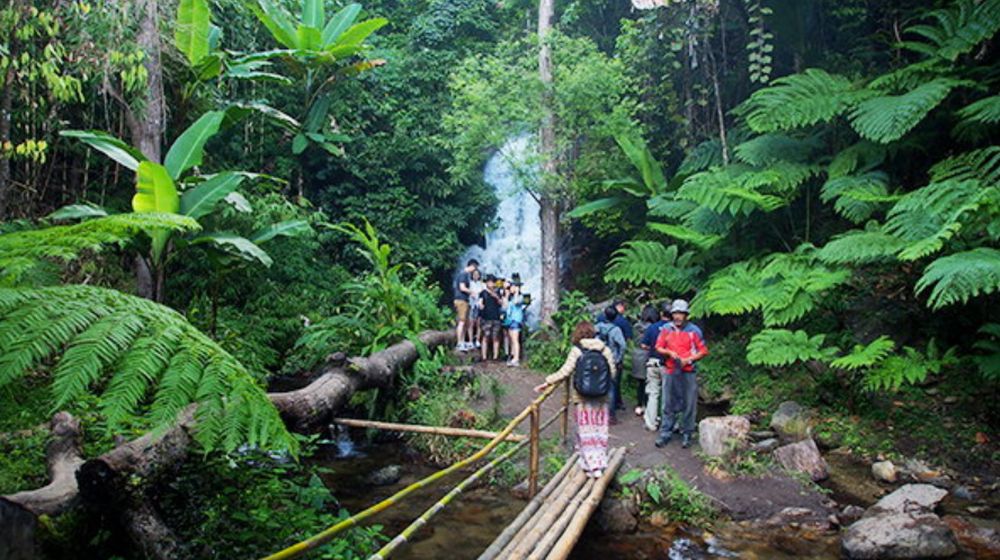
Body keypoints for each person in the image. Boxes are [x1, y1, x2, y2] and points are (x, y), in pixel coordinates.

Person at [533, 321, 617, 478]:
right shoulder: (605, 350)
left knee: (585, 430)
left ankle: (589, 464)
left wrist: (547, 381)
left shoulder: (577, 351)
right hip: (602, 397)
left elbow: (565, 371)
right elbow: (612, 373)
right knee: (599, 430)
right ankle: (599, 464)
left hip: (582, 397)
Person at [654, 299, 708, 449]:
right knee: (667, 402)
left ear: (686, 315)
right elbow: (658, 347)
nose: (677, 317)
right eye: (675, 313)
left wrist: (689, 359)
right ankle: (665, 432)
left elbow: (703, 350)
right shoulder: (666, 329)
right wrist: (669, 352)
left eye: (681, 314)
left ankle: (687, 432)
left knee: (689, 403)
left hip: (688, 371)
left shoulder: (694, 331)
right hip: (670, 370)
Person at [640, 303, 671, 431]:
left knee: (653, 393)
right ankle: (667, 423)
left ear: (662, 314)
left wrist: (652, 348)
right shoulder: (673, 328)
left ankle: (651, 423)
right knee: (667, 394)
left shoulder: (652, 327)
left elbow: (643, 345)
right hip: (668, 364)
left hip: (652, 362)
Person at [596, 306, 626, 419]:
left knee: (599, 384)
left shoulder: (597, 327)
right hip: (612, 360)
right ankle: (611, 415)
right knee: (612, 387)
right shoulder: (616, 330)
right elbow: (622, 345)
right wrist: (619, 358)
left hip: (599, 359)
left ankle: (599, 411)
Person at [631, 304, 659, 418]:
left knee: (640, 383)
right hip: (648, 356)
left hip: (637, 355)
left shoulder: (636, 326)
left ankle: (639, 405)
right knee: (651, 383)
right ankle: (648, 407)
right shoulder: (653, 328)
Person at [453, 259, 478, 351]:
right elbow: (462, 288)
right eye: (475, 268)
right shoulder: (463, 274)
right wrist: (472, 292)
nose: (475, 270)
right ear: (472, 266)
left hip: (463, 300)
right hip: (461, 300)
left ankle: (463, 342)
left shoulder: (463, 274)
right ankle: (459, 343)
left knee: (465, 322)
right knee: (462, 322)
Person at [479, 275, 504, 361]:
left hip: (496, 317)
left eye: (492, 282)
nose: (491, 284)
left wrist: (496, 296)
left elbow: (502, 303)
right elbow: (480, 303)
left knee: (496, 337)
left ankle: (495, 357)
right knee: (485, 337)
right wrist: (480, 306)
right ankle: (484, 357)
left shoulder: (498, 292)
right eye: (489, 282)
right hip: (486, 318)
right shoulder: (483, 293)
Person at [504, 281, 526, 367]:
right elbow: (505, 306)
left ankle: (516, 359)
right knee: (512, 340)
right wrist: (506, 294)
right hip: (510, 320)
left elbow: (517, 302)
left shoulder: (520, 297)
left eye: (512, 287)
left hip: (516, 320)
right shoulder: (511, 298)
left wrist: (517, 292)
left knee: (515, 339)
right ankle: (513, 356)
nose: (511, 289)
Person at [468, 269, 485, 349]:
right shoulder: (469, 283)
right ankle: (471, 341)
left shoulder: (482, 284)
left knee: (479, 323)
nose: (476, 276)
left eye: (477, 274)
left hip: (479, 305)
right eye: (474, 274)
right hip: (471, 305)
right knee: (471, 323)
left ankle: (477, 340)